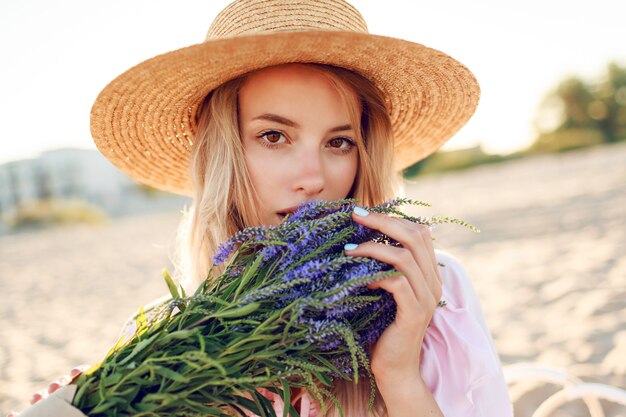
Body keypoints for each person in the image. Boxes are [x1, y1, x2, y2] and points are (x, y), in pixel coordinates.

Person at [19, 1, 514, 416]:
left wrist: (397, 373)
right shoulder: (169, 335)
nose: (315, 178)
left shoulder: (428, 292)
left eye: (339, 142)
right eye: (273, 136)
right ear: (222, 154)